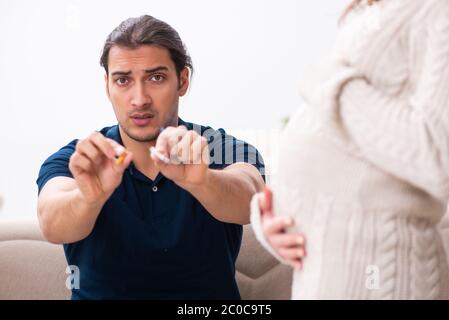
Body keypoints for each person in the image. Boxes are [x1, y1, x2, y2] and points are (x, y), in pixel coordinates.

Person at [36, 15, 265, 299]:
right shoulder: (80, 159)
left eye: (156, 78)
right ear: (107, 85)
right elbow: (52, 223)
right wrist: (89, 197)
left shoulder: (221, 148)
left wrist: (202, 181)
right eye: (123, 80)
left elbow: (250, 199)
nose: (140, 98)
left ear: (182, 80)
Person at [251, 0, 449, 299]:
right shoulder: (377, 11)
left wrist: (330, 84)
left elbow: (437, 155)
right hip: (327, 270)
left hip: (382, 273)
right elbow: (345, 139)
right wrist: (275, 218)